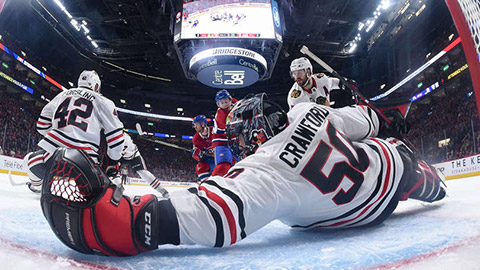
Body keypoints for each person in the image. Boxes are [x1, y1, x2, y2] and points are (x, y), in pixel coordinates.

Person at [39, 93, 446, 256]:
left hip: (359, 213)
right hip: (390, 165)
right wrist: (387, 118)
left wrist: (117, 222)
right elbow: (366, 118)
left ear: (255, 131)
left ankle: (419, 179)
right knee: (406, 165)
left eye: (240, 131)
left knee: (407, 176)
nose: (236, 138)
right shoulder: (311, 112)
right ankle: (422, 177)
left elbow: (214, 215)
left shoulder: (265, 169)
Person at [24, 70, 124, 193]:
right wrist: (112, 161)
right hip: (86, 163)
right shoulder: (104, 101)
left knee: (29, 159)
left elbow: (42, 124)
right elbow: (117, 138)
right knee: (112, 179)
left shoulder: (63, 94)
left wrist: (59, 136)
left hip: (56, 158)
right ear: (96, 86)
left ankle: (39, 186)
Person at [288, 57, 355, 110]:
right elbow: (293, 118)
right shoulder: (294, 98)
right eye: (294, 73)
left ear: (308, 72)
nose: (297, 77)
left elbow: (336, 83)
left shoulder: (322, 79)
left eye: (299, 73)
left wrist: (348, 84)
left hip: (329, 116)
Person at [117, 132, 169, 197]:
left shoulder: (125, 138)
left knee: (143, 172)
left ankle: (162, 190)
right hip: (122, 153)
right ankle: (118, 188)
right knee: (112, 170)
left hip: (132, 154)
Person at [211, 89, 237, 176]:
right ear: (218, 105)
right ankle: (215, 182)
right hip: (221, 140)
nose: (225, 104)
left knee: (243, 162)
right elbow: (228, 128)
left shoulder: (235, 104)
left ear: (230, 100)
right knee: (223, 164)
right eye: (222, 103)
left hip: (233, 140)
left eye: (226, 101)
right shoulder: (220, 114)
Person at [192, 115, 215, 182]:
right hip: (210, 159)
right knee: (200, 167)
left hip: (221, 156)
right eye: (194, 125)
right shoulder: (196, 139)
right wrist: (197, 155)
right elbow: (198, 156)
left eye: (196, 124)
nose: (195, 127)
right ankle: (207, 184)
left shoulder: (214, 131)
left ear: (203, 124)